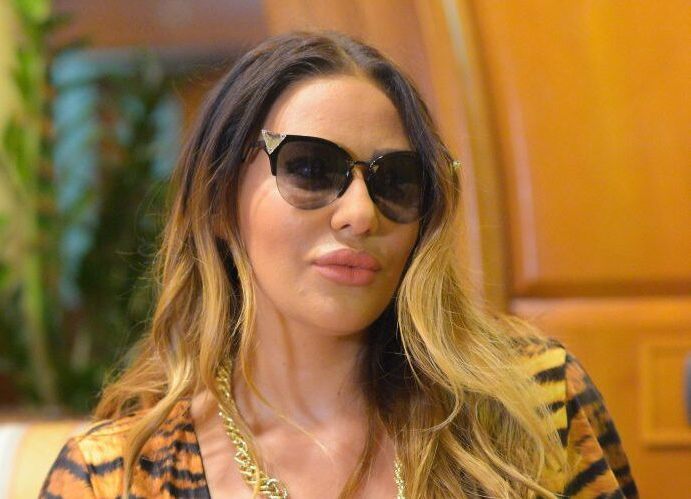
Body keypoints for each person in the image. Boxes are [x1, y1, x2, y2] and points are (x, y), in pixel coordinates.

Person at [40, 31, 637, 498]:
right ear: (218, 201)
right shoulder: (116, 477)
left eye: (394, 180)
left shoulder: (535, 403)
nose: (360, 214)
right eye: (309, 168)